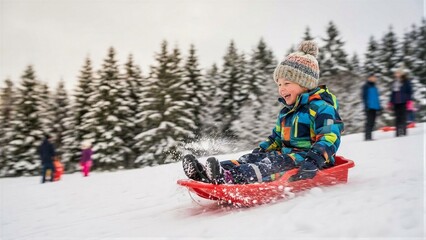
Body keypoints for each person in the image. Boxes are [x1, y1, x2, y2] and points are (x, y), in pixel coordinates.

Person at [182, 40, 344, 184]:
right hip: (286, 155)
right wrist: (261, 151)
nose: (281, 89)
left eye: (287, 83)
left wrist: (314, 160)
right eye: (279, 84)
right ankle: (206, 173)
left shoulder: (322, 108)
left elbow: (329, 137)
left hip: (310, 160)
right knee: (251, 159)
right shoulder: (286, 113)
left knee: (270, 165)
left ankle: (229, 178)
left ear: (305, 84)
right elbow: (276, 140)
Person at [388, 67, 412, 137]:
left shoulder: (406, 81)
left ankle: (403, 132)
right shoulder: (394, 82)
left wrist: (409, 101)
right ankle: (398, 133)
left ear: (402, 73)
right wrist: (390, 102)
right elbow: (392, 93)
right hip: (396, 103)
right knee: (397, 118)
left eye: (398, 73)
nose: (397, 74)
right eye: (396, 73)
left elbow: (409, 91)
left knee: (403, 117)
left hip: (403, 102)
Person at [362, 73, 382, 141]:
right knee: (369, 122)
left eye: (375, 77)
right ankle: (367, 137)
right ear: (369, 78)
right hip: (369, 107)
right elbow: (364, 97)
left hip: (375, 107)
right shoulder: (366, 86)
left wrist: (379, 107)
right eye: (373, 77)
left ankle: (370, 136)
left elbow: (377, 97)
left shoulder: (375, 87)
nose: (374, 78)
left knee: (373, 122)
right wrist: (366, 106)